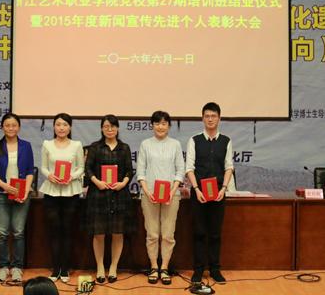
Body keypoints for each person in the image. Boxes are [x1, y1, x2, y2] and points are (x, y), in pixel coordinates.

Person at [186, 102, 233, 293]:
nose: (210, 119)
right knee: (199, 232)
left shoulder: (226, 141)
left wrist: (224, 188)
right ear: (202, 118)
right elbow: (189, 168)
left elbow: (229, 167)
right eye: (207, 116)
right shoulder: (194, 140)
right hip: (199, 193)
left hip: (219, 193)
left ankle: (215, 269)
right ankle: (198, 270)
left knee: (215, 233)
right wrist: (196, 189)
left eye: (213, 116)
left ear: (219, 118)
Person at [85, 114, 135, 283]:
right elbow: (88, 169)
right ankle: (100, 267)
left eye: (112, 126)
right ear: (102, 128)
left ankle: (113, 267)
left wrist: (123, 183)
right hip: (98, 194)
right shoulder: (95, 147)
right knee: (98, 233)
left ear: (117, 128)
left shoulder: (124, 148)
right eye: (106, 126)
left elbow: (129, 171)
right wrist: (97, 182)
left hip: (119, 194)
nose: (110, 129)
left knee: (117, 233)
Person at [0, 112, 35, 284]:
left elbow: (30, 171)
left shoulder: (26, 146)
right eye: (7, 125)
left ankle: (17, 268)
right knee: (2, 233)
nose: (11, 128)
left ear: (19, 127)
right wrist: (4, 186)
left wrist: (25, 191)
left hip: (21, 195)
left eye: (14, 125)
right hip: (0, 194)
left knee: (19, 232)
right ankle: (3, 266)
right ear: (2, 127)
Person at [137, 111, 184, 285]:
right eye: (157, 123)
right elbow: (140, 171)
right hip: (149, 195)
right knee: (152, 234)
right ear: (152, 125)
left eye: (164, 123)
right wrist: (147, 191)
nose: (160, 127)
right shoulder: (145, 144)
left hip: (172, 196)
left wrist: (172, 191)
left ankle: (164, 267)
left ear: (169, 126)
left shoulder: (175, 145)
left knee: (168, 234)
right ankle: (153, 266)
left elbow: (180, 170)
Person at [39, 113, 85, 283]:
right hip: (51, 192)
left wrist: (71, 177)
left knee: (67, 230)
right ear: (54, 127)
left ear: (70, 127)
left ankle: (65, 269)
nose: (61, 128)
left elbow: (81, 168)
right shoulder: (47, 144)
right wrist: (49, 175)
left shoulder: (76, 145)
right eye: (58, 124)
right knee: (54, 230)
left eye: (65, 124)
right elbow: (43, 167)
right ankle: (55, 268)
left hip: (70, 192)